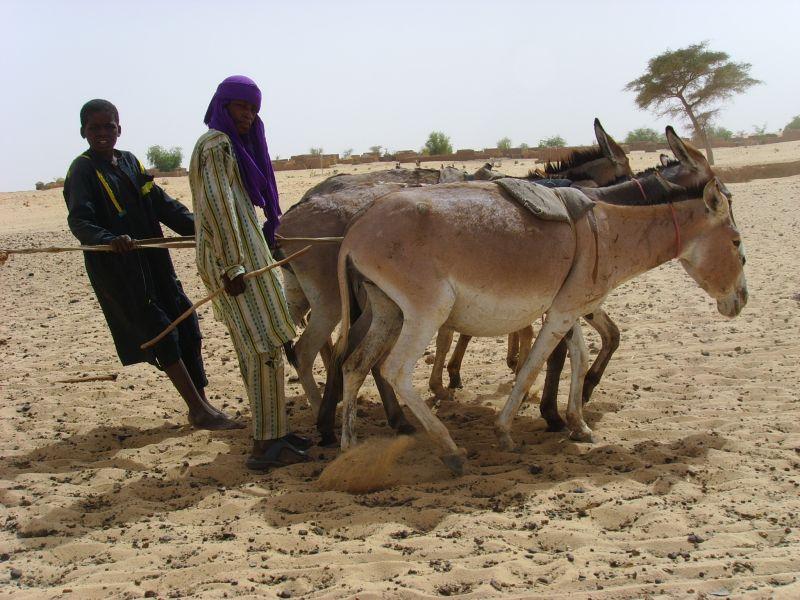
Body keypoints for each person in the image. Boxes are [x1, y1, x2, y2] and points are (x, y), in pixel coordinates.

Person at [64, 99, 241, 431]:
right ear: (83, 132)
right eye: (94, 128)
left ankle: (201, 404)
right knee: (161, 331)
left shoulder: (129, 162)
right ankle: (198, 409)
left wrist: (206, 229)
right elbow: (80, 220)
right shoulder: (82, 170)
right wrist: (108, 239)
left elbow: (161, 204)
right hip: (121, 268)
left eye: (108, 126)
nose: (102, 133)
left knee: (184, 321)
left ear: (120, 128)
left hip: (155, 260)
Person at [189, 76, 311, 471]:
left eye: (254, 108)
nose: (248, 115)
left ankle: (271, 431)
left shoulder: (231, 147)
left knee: (264, 344)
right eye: (241, 106)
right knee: (263, 347)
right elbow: (218, 207)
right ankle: (266, 445)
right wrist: (232, 265)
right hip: (235, 263)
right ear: (223, 105)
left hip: (245, 255)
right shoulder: (217, 145)